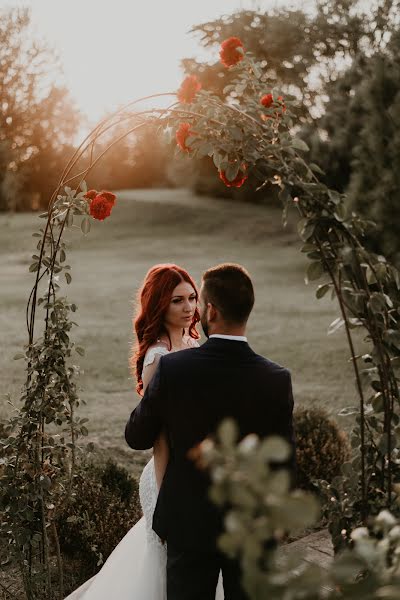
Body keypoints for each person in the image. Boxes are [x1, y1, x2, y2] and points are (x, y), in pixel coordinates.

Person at [125, 263, 295, 600]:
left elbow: (138, 436)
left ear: (211, 311)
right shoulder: (277, 378)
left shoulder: (174, 369)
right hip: (250, 526)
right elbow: (285, 462)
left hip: (189, 523)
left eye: (197, 301)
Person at [64, 264, 226, 600]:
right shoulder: (158, 358)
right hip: (168, 476)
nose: (188, 308)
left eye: (192, 298)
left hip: (200, 473)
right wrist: (166, 502)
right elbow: (159, 439)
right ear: (159, 305)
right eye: (177, 301)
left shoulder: (196, 345)